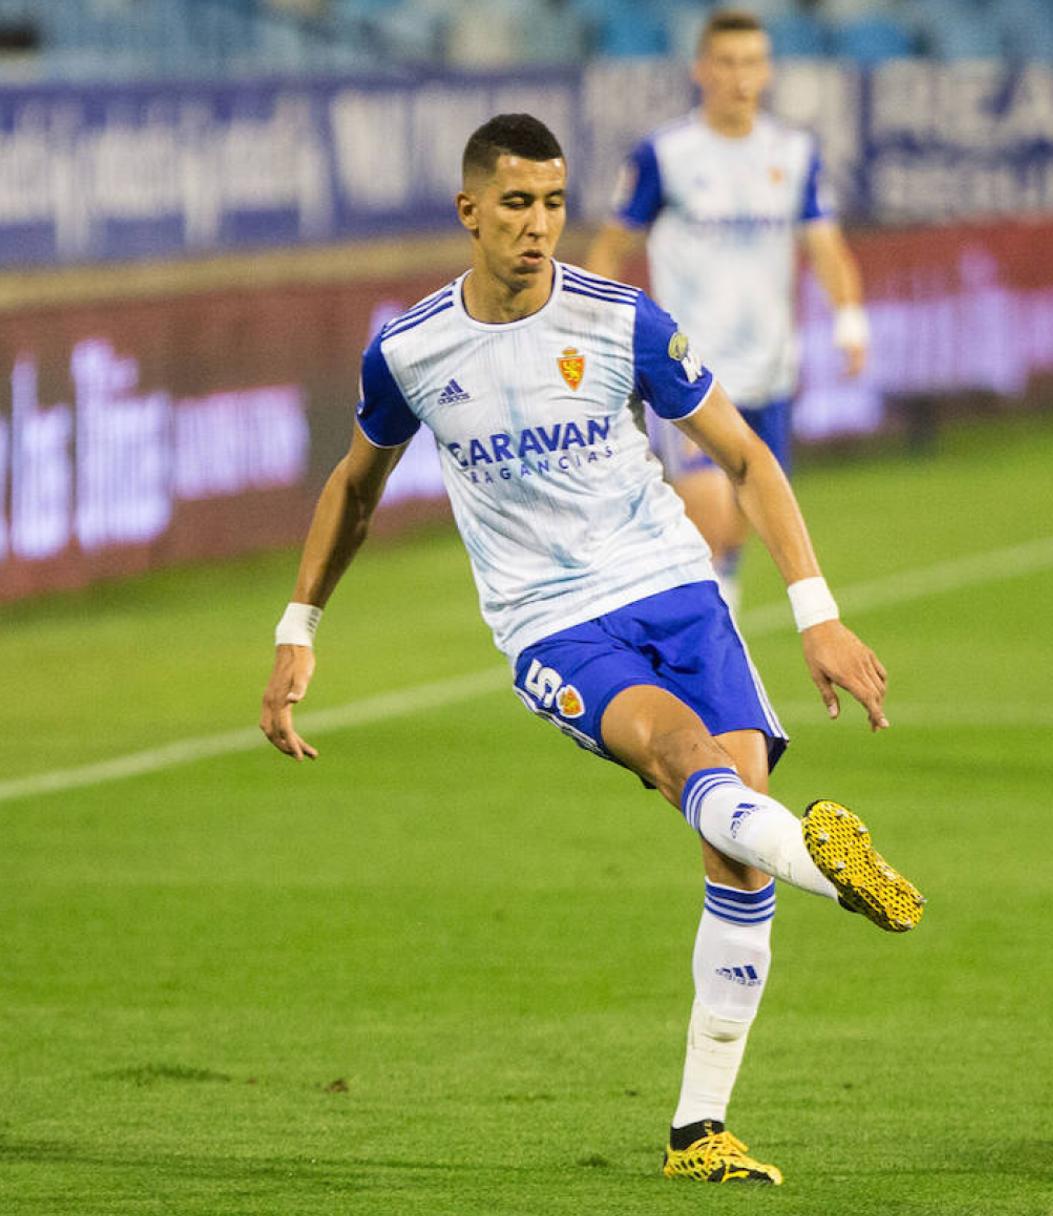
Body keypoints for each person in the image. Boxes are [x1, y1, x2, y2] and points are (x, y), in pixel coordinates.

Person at [257, 113, 921, 1188]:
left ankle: (699, 1131)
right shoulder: (414, 348)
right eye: (517, 204)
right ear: (470, 209)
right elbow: (354, 487)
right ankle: (829, 866)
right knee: (678, 759)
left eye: (555, 203)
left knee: (735, 854)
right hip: (551, 622)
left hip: (675, 588)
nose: (539, 225)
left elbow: (746, 457)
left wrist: (817, 612)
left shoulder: (623, 322)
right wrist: (300, 630)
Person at [583, 8, 868, 613]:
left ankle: (715, 628)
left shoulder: (793, 153)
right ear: (702, 70)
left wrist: (849, 319)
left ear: (768, 71)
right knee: (709, 520)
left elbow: (825, 246)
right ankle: (708, 658)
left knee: (737, 530)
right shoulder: (667, 154)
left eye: (754, 63)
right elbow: (613, 246)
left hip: (769, 370)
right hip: (691, 370)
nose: (742, 77)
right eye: (729, 63)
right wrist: (583, 328)